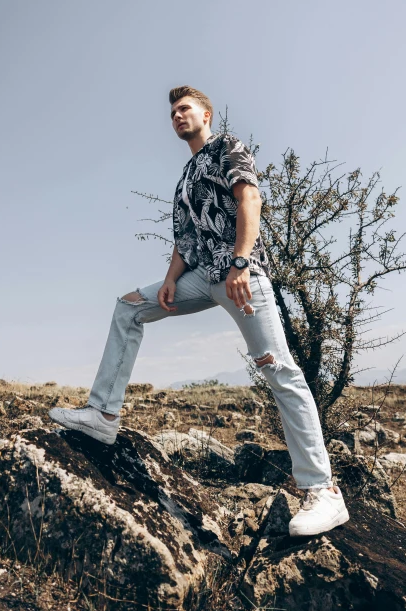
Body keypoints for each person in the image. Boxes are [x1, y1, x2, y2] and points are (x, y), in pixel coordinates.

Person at [49, 85, 350, 537]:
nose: (176, 116)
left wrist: (242, 261)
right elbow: (186, 240)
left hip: (240, 278)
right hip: (201, 279)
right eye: (172, 112)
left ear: (205, 115)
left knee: (278, 369)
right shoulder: (186, 178)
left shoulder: (228, 147)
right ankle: (102, 416)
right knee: (128, 308)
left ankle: (323, 491)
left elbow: (250, 199)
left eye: (184, 109)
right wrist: (170, 280)